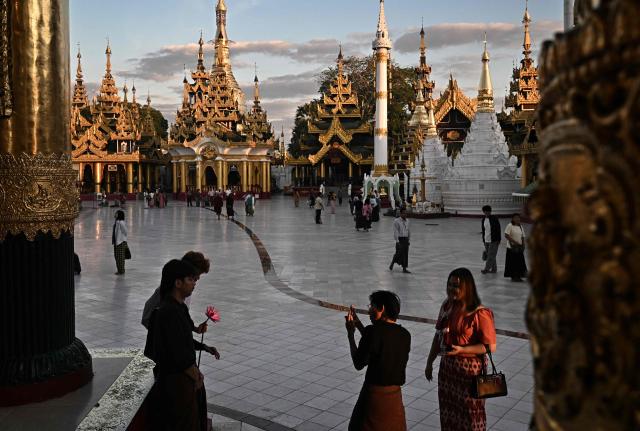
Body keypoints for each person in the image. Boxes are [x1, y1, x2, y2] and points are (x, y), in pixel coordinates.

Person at [143, 259, 218, 431]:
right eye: (190, 280)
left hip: (183, 378)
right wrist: (194, 375)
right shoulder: (168, 311)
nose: (194, 284)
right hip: (176, 382)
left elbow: (183, 340)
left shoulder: (179, 307)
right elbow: (176, 352)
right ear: (178, 283)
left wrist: (204, 348)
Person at [424, 268, 497, 431]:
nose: (451, 289)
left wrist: (462, 350)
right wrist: (429, 362)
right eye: (449, 285)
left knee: (471, 416)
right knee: (449, 413)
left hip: (469, 374)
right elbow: (438, 336)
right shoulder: (447, 305)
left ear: (467, 287)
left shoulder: (480, 313)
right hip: (448, 372)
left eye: (456, 286)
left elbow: (490, 346)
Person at [345, 291, 411, 431]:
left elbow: (359, 362)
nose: (369, 311)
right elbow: (379, 346)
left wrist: (351, 334)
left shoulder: (373, 332)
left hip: (373, 399)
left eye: (372, 306)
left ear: (382, 308)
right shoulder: (405, 335)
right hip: (395, 401)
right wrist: (358, 324)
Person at [504, 213, 527, 282]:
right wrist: (515, 242)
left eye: (518, 218)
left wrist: (523, 244)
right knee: (513, 263)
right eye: (516, 218)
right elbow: (506, 235)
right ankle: (514, 276)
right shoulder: (509, 225)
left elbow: (523, 236)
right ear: (512, 219)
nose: (517, 219)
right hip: (512, 248)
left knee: (520, 262)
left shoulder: (520, 226)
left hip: (519, 247)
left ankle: (519, 275)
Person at [480, 205, 501, 274]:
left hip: (494, 240)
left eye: (488, 211)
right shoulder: (483, 220)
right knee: (492, 255)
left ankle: (486, 269)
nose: (486, 213)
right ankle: (494, 269)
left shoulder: (494, 218)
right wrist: (483, 239)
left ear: (490, 211)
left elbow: (498, 229)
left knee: (490, 255)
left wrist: (499, 239)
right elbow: (484, 230)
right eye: (485, 211)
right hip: (486, 240)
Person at [389, 209, 410, 273]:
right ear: (400, 214)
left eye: (406, 213)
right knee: (398, 253)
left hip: (405, 239)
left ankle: (404, 268)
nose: (405, 214)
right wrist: (397, 241)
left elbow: (408, 230)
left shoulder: (407, 221)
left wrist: (408, 239)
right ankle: (392, 262)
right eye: (404, 213)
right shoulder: (396, 221)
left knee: (405, 254)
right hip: (400, 239)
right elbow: (396, 231)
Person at [112, 210, 128, 275]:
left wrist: (121, 239)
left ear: (119, 215)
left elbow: (125, 232)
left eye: (116, 213)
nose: (115, 214)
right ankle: (119, 270)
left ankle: (121, 271)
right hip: (116, 242)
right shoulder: (117, 222)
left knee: (120, 258)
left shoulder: (121, 222)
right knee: (117, 257)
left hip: (121, 242)